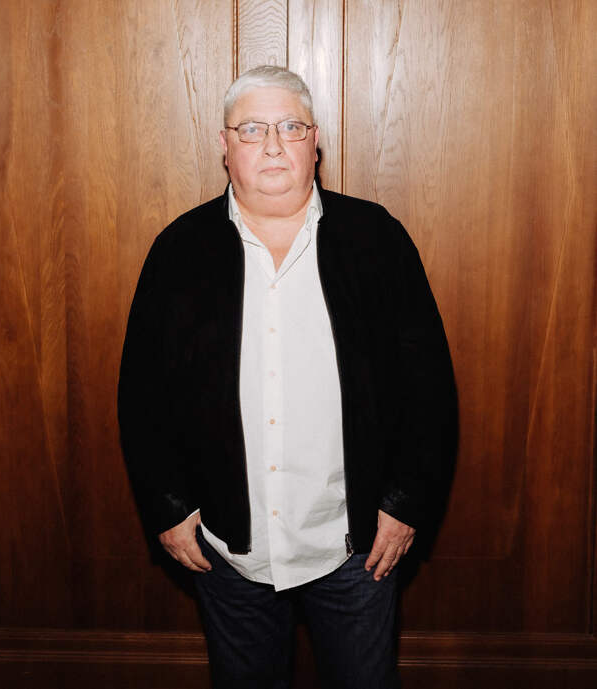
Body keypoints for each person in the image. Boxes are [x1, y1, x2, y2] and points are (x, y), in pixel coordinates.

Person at [118, 65, 456, 689]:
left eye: (290, 127)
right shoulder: (179, 251)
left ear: (314, 141)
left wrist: (406, 504)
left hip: (355, 549)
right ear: (225, 146)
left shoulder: (376, 239)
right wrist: (168, 508)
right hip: (227, 551)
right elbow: (143, 397)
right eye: (251, 129)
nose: (272, 145)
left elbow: (428, 387)